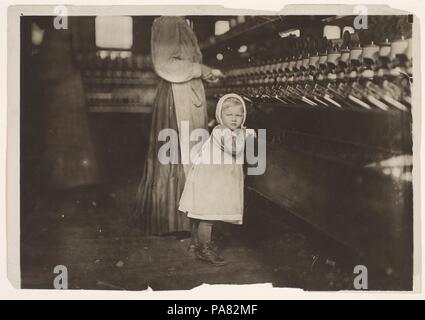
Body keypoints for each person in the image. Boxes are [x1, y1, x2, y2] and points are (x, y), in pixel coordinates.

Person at [133, 16, 222, 239]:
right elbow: (164, 64)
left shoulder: (179, 20)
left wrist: (204, 73)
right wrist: (200, 69)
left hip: (184, 92)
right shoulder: (169, 20)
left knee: (185, 153)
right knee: (178, 154)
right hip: (176, 97)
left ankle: (183, 219)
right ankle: (173, 221)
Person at [179, 93, 255, 266]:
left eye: (239, 115)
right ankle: (204, 250)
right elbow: (235, 149)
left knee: (200, 212)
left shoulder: (230, 130)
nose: (235, 119)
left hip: (212, 177)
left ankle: (195, 242)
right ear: (220, 116)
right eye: (229, 115)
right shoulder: (221, 131)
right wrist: (247, 134)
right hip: (211, 180)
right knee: (208, 215)